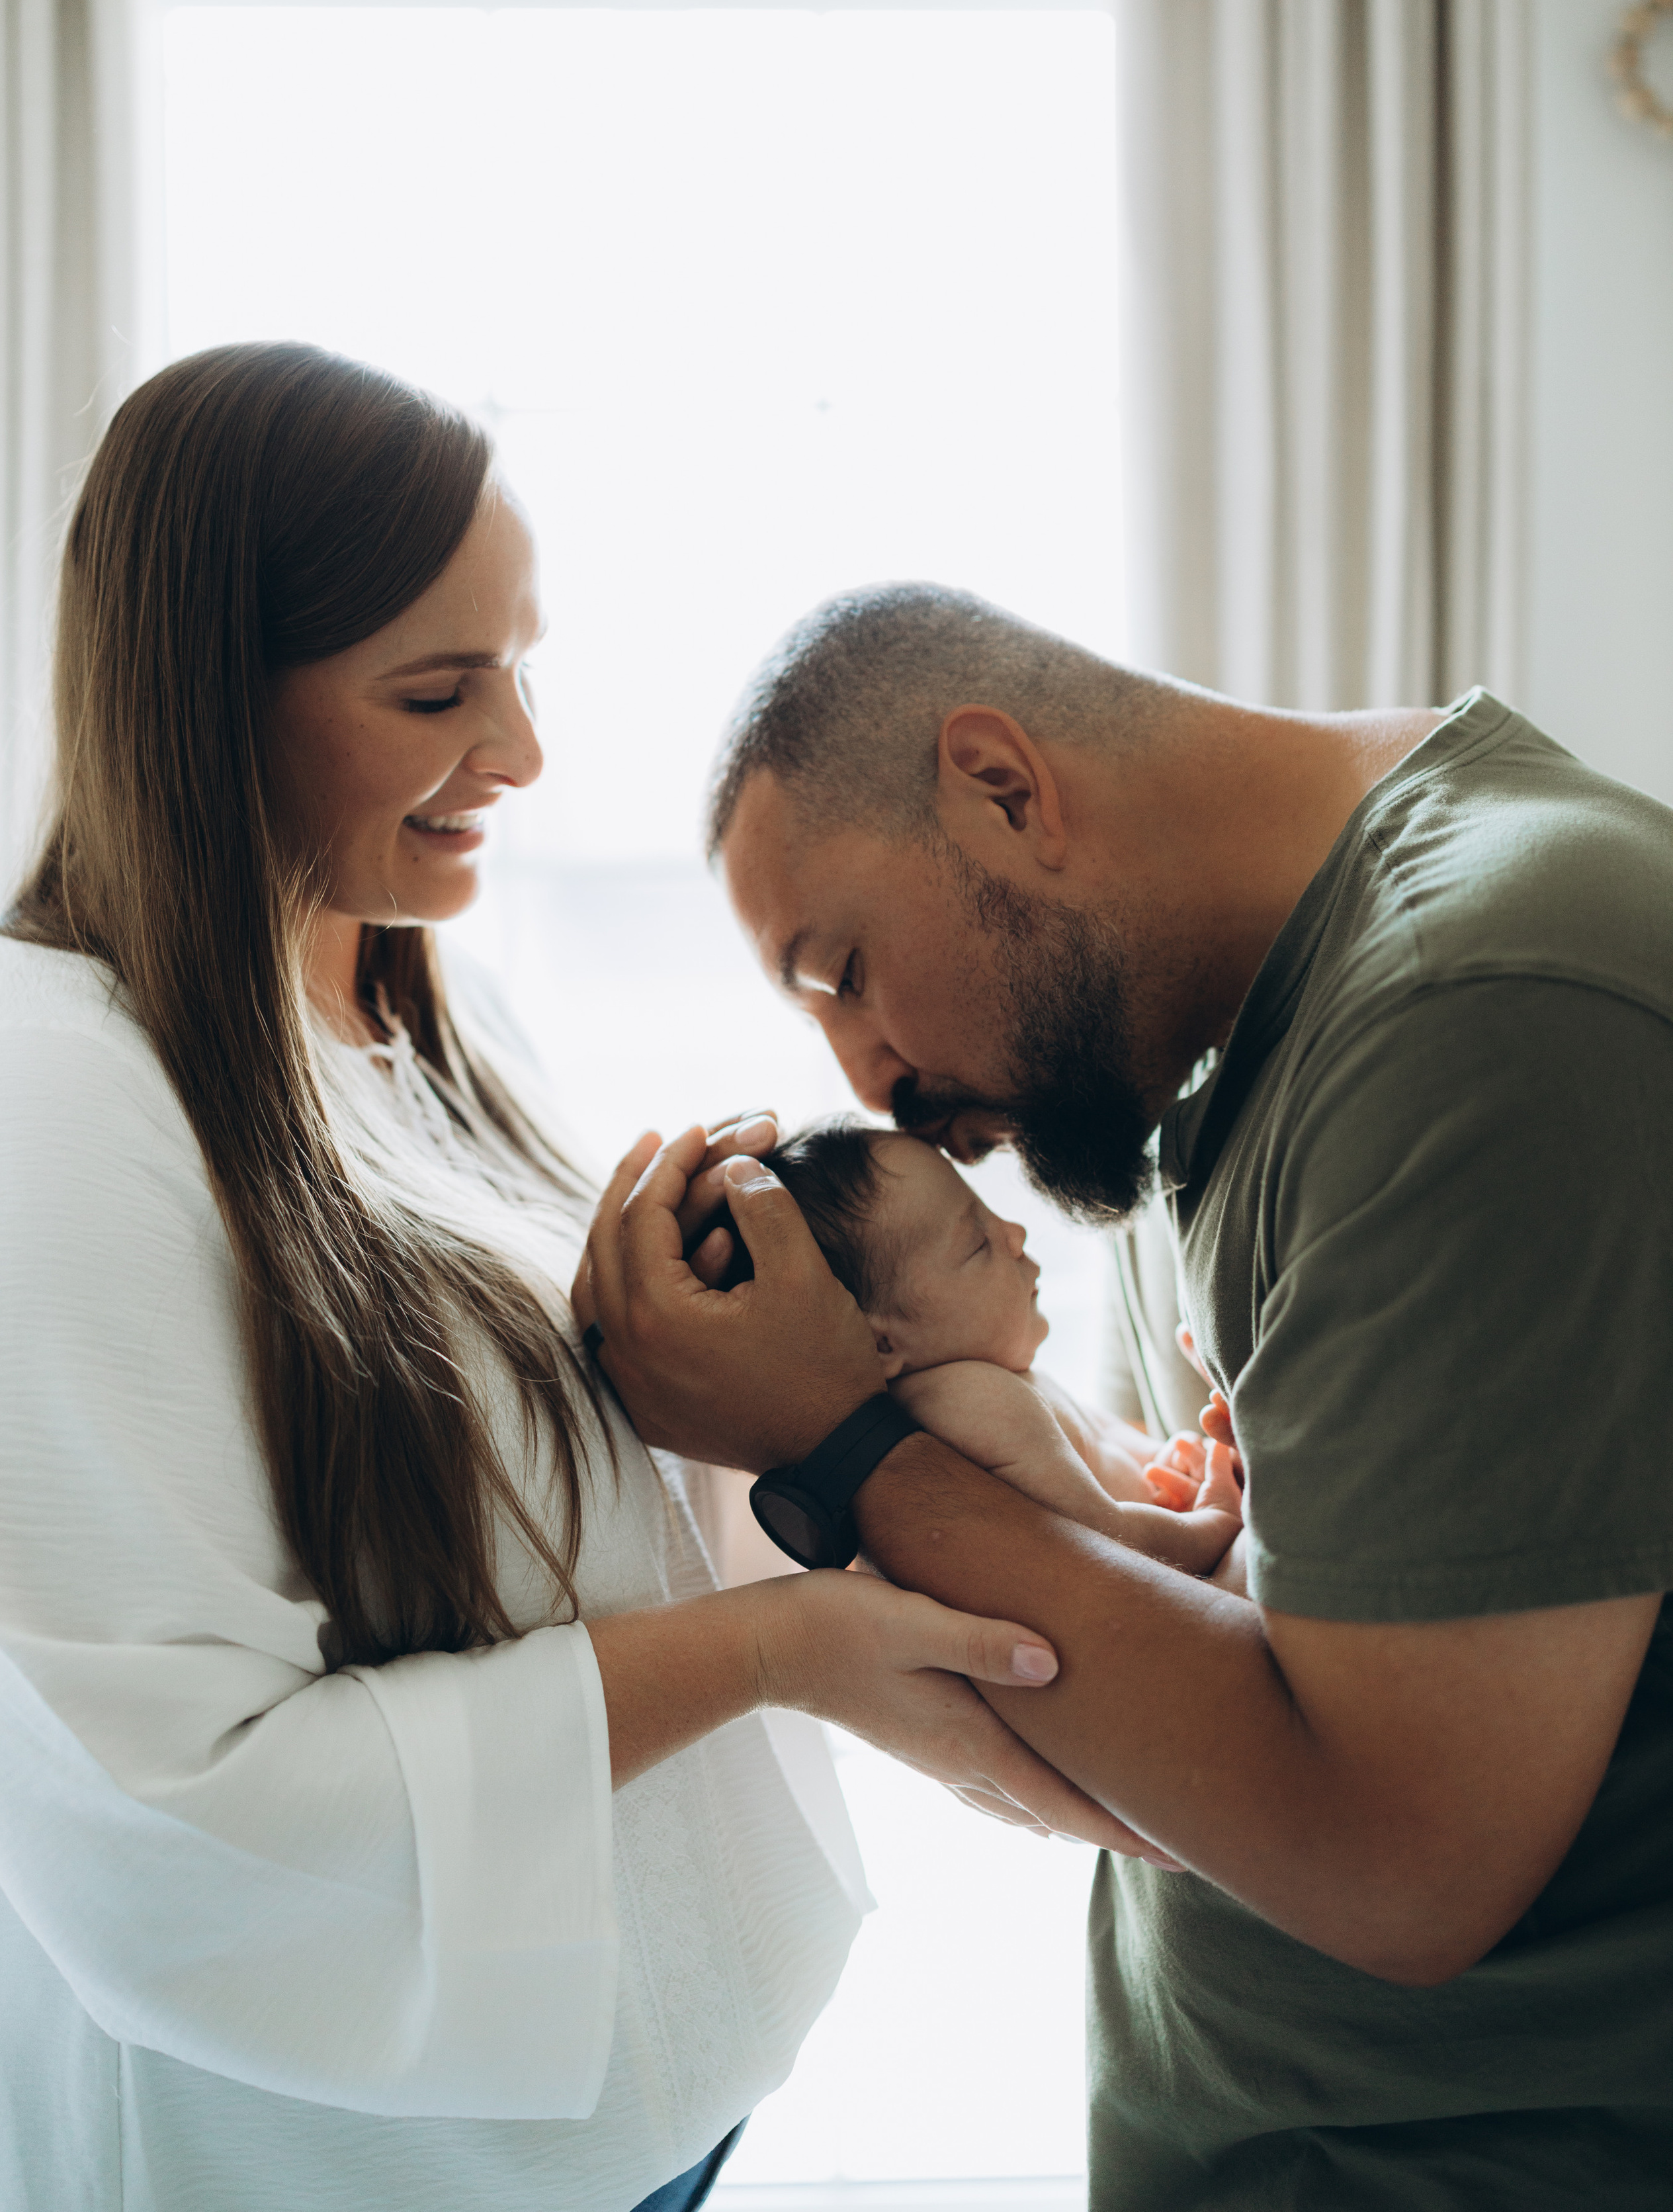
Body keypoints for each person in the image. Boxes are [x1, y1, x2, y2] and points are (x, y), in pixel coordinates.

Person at [0, 369, 1135, 2212]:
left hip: (645, 2116)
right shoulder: (50, 1110)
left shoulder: (431, 1018)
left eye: (518, 668)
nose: (520, 751)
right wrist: (781, 1651)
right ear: (206, 697)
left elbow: (582, 1509)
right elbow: (177, 1821)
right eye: (437, 693)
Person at [578, 582, 1673, 2210]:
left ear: (1001, 788)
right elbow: (1155, 1642)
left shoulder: (1477, 1010)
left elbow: (1398, 1864)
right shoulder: (1187, 1058)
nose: (868, 1082)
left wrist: (842, 1442)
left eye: (847, 971)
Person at [720, 1119, 1240, 1529]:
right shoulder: (972, 1404)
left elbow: (1106, 1446)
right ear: (882, 1343)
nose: (1015, 1233)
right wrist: (1215, 1522)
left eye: (992, 1214)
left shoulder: (1007, 1378)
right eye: (977, 1244)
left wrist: (1179, 1460)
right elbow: (1111, 1540)